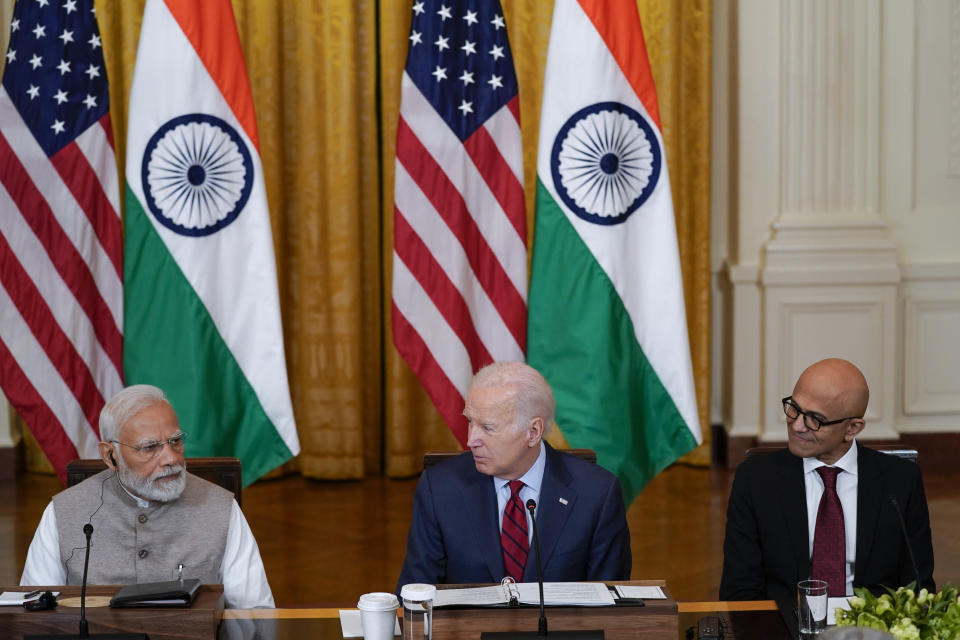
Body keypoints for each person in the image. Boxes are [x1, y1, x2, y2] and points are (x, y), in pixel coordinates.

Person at [20, 385, 275, 609]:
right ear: (110, 455)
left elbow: (253, 613)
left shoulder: (220, 507)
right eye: (150, 447)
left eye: (175, 441)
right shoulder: (63, 512)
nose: (171, 459)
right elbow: (32, 609)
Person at [396, 361, 632, 590]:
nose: (471, 441)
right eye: (470, 422)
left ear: (533, 431)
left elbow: (610, 604)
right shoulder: (439, 489)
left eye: (488, 428)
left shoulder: (597, 494)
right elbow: (415, 597)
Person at [720, 358, 935, 604]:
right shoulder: (755, 480)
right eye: (794, 408)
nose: (797, 425)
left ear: (852, 428)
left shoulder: (900, 482)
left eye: (814, 419)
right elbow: (739, 593)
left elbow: (918, 590)